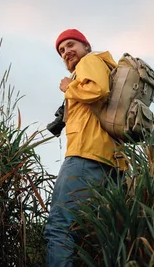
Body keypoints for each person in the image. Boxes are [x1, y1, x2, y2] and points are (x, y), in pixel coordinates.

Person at [44, 28, 127, 267]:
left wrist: (68, 87)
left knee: (59, 229)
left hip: (85, 157)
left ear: (86, 46)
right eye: (61, 50)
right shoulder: (102, 66)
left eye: (71, 45)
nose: (66, 52)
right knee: (101, 236)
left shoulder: (90, 61)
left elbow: (97, 90)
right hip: (112, 162)